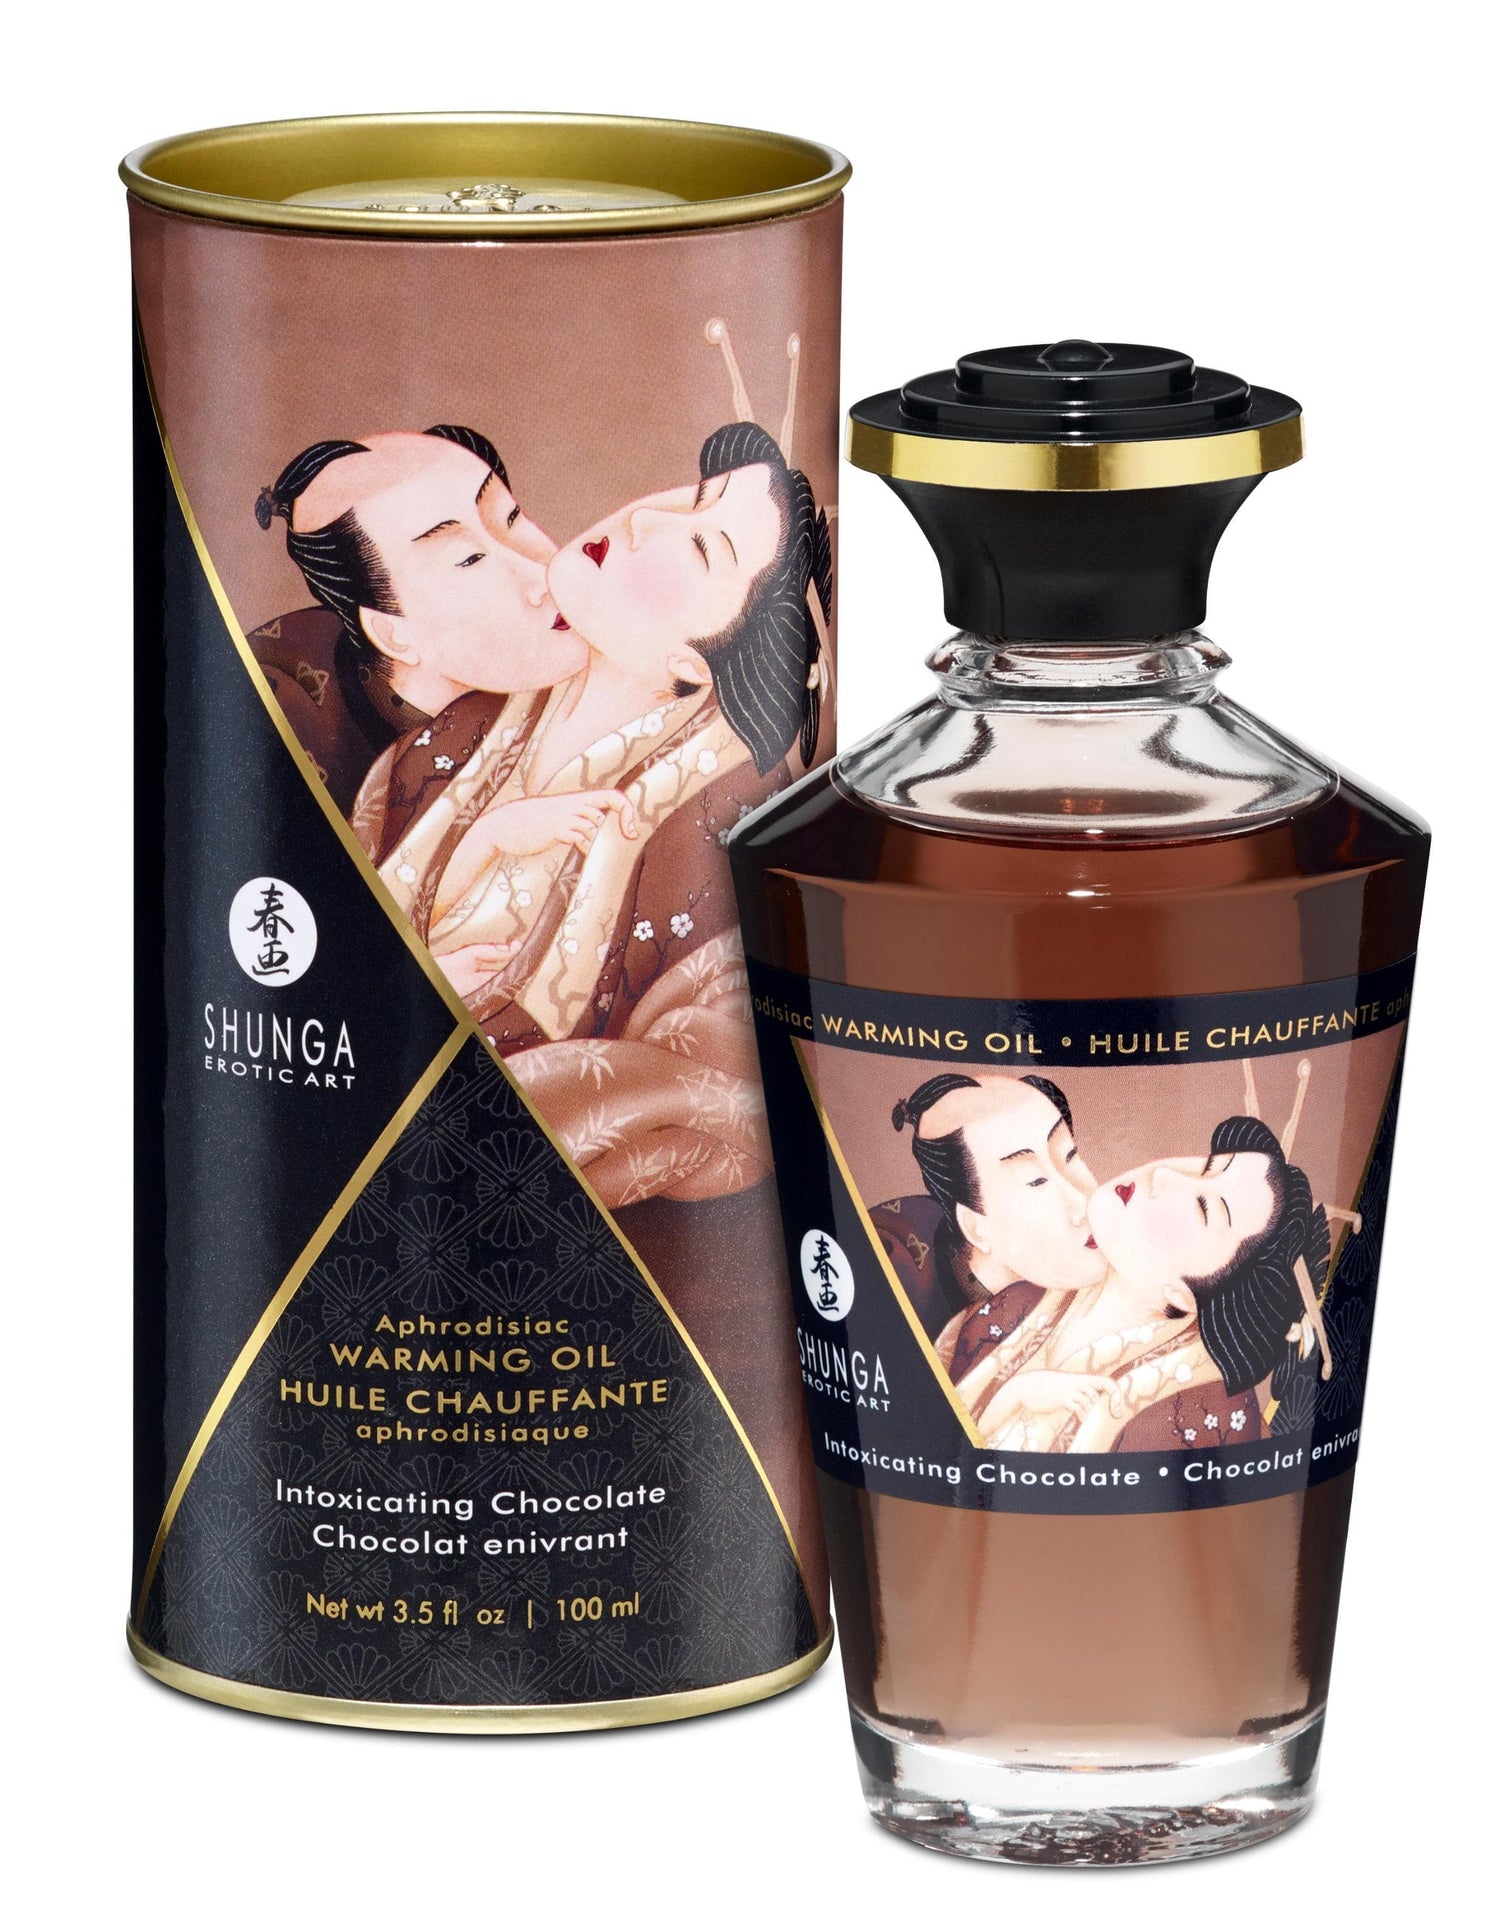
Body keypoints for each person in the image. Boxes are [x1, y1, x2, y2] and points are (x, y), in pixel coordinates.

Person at [360, 418, 832, 1207]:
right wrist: (478, 855)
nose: (646, 519)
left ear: (695, 662)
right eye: (693, 496)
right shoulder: (465, 725)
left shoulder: (715, 827)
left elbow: (699, 1080)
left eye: (702, 547)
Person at [252, 425, 577, 815]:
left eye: (511, 519)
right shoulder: (290, 728)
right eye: (468, 559)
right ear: (393, 634)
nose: (542, 575)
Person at [963, 1113, 1331, 1454]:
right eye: (1207, 1166)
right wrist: (1018, 1392)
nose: (1164, 1174)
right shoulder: (1022, 1302)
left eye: (1204, 1207)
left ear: (1187, 1296)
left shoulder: (1198, 1409)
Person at [875, 1072, 1107, 1356]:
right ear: (976, 1227)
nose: (1084, 1203)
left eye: (1070, 1155)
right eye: (1035, 1180)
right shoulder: (900, 1284)